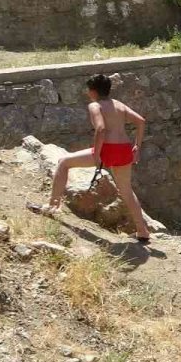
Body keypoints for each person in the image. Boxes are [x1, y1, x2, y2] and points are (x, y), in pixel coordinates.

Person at [38, 74, 152, 243]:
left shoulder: (95, 106)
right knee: (126, 190)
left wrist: (97, 154)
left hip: (108, 149)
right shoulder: (118, 104)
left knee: (64, 162)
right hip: (124, 149)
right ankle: (142, 231)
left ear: (93, 91)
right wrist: (137, 147)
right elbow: (141, 121)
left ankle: (52, 206)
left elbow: (101, 129)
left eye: (88, 89)